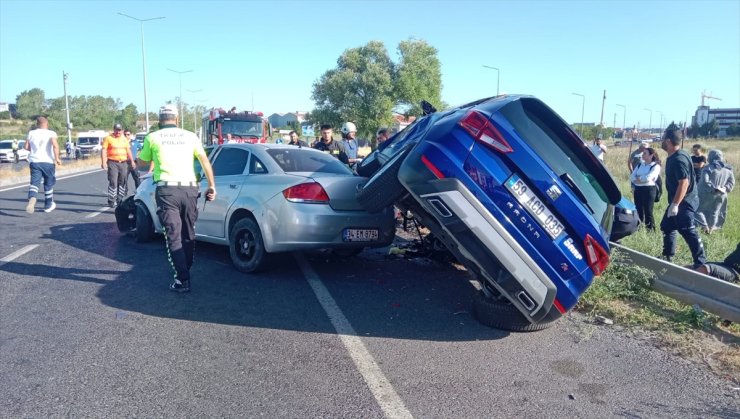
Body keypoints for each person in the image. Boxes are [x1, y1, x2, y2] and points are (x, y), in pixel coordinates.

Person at [137, 104, 216, 293]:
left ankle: (182, 278)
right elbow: (205, 160)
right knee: (188, 232)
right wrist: (212, 185)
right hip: (189, 189)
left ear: (159, 120)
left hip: (167, 190)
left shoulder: (152, 137)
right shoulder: (190, 136)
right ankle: (185, 270)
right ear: (177, 119)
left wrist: (142, 159)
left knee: (173, 234)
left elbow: (142, 164)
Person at [659, 128, 706, 267]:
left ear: (668, 140)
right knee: (667, 226)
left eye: (663, 138)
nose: (661, 140)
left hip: (683, 202)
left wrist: (675, 205)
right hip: (679, 201)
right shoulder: (678, 155)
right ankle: (667, 256)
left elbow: (684, 183)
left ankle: (701, 263)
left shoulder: (679, 159)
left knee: (687, 230)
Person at [24, 116, 61, 213]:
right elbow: (55, 145)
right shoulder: (51, 133)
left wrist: (35, 151)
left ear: (37, 124)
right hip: (48, 162)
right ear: (47, 124)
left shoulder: (31, 133)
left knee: (34, 182)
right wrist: (57, 158)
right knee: (48, 183)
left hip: (34, 162)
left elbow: (26, 146)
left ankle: (32, 198)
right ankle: (48, 205)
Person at [695, 149, 735, 234]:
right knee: (715, 211)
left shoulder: (708, 168)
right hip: (722, 195)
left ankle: (704, 227)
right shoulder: (728, 169)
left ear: (711, 157)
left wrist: (713, 188)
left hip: (708, 194)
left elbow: (705, 181)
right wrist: (724, 188)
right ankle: (711, 229)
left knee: (698, 209)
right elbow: (731, 183)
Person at [101, 123, 136, 207]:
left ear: (122, 130)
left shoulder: (124, 139)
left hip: (123, 163)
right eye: (116, 130)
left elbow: (128, 150)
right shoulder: (108, 138)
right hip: (113, 162)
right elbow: (103, 150)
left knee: (122, 181)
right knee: (113, 181)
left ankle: (120, 199)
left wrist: (132, 161)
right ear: (114, 130)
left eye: (119, 130)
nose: (118, 132)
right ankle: (111, 200)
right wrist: (103, 162)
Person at [629, 147, 661, 230]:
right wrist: (639, 180)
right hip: (638, 189)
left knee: (648, 211)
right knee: (638, 209)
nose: (643, 155)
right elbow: (632, 177)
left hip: (649, 190)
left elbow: (648, 178)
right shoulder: (640, 164)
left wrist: (640, 178)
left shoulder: (655, 166)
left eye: (645, 153)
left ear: (651, 155)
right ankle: (638, 228)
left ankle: (650, 230)